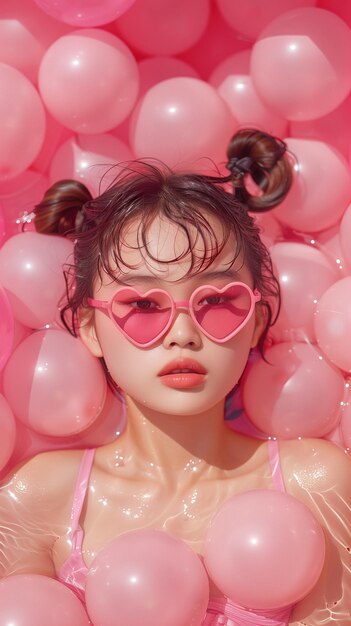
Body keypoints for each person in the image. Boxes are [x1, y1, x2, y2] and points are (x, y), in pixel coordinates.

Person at [0, 129, 350, 626]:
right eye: (142, 305)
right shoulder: (37, 498)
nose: (182, 334)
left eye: (217, 302)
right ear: (89, 329)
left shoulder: (314, 483)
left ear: (254, 322)